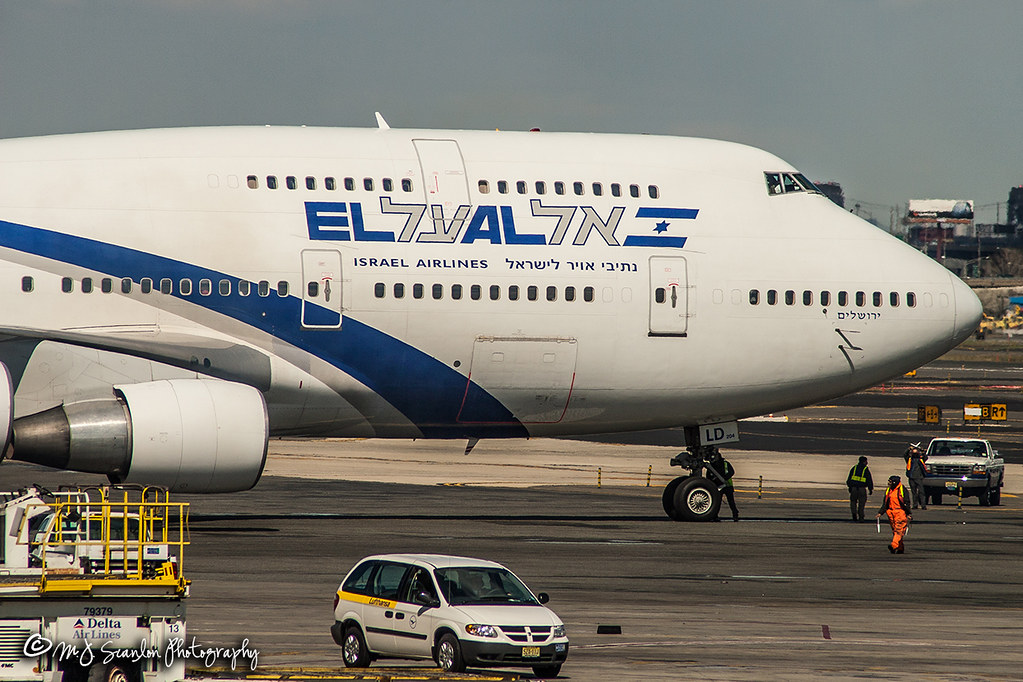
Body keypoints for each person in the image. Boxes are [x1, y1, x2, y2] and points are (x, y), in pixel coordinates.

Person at [877, 475, 912, 554]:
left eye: (890, 481)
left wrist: (908, 513)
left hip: (900, 513)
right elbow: (885, 502)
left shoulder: (902, 490)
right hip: (891, 513)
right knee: (895, 531)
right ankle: (900, 548)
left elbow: (906, 502)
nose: (888, 483)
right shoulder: (889, 490)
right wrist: (880, 512)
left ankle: (894, 545)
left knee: (898, 530)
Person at [706, 447, 739, 521]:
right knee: (717, 502)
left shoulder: (725, 463)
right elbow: (708, 476)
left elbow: (732, 472)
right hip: (719, 486)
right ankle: (715, 516)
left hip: (727, 486)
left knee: (730, 502)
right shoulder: (712, 466)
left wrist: (724, 478)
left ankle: (735, 514)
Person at [846, 456, 873, 522]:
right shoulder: (865, 469)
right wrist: (870, 489)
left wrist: (850, 487)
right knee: (861, 503)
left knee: (853, 502)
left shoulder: (854, 468)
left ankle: (854, 515)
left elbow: (849, 479)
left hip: (854, 488)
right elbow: (869, 480)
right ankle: (861, 517)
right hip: (862, 489)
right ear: (864, 462)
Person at [904, 442, 929, 509]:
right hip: (912, 477)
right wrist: (909, 449)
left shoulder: (921, 460)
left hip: (919, 477)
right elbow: (905, 455)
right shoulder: (909, 460)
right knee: (914, 492)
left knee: (921, 492)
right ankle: (915, 505)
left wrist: (922, 451)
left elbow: (926, 457)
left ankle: (923, 505)